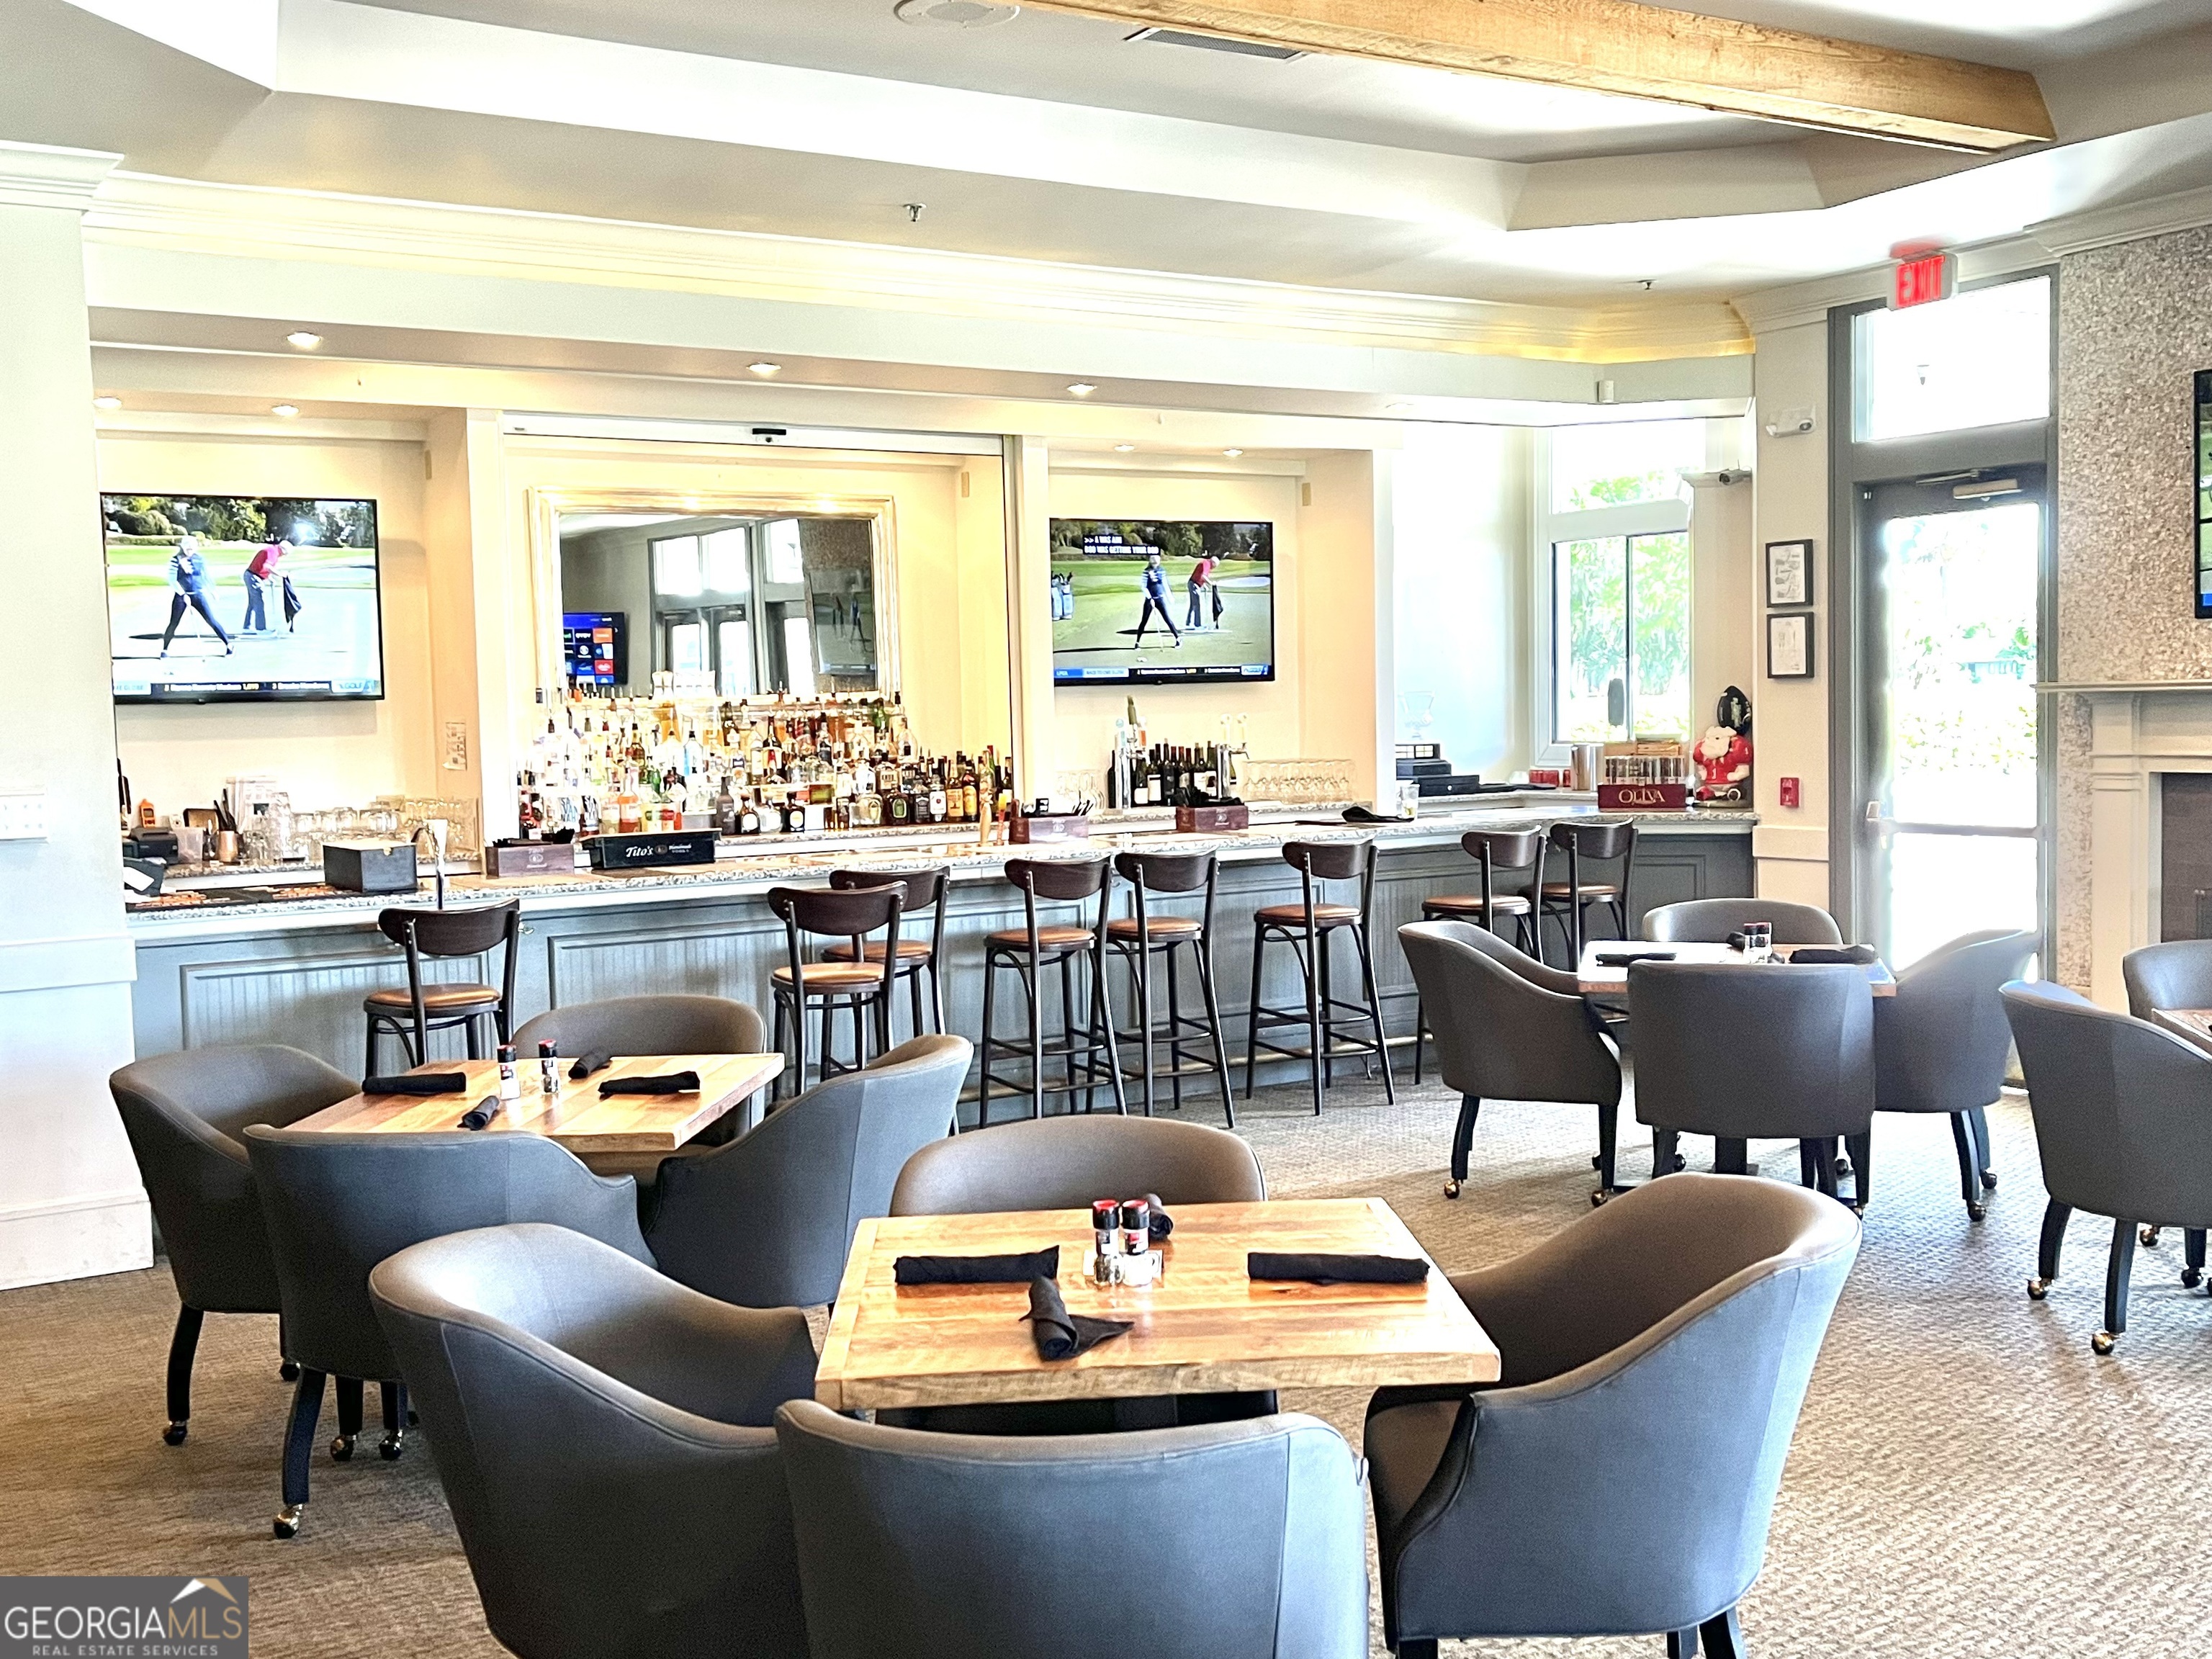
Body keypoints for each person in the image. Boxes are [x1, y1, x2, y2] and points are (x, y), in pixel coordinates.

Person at [158, 534, 233, 657]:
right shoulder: (175, 560)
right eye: (187, 547)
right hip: (181, 596)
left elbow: (205, 576)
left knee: (211, 620)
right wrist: (183, 594)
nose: (190, 549)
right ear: (183, 547)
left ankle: (229, 645)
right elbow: (172, 580)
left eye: (192, 547)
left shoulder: (199, 559)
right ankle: (165, 650)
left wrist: (212, 590)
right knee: (174, 622)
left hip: (198, 595)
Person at [1131, 550, 1181, 648]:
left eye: (1157, 562)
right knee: (1144, 621)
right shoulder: (1146, 572)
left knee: (1167, 619)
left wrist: (1170, 597)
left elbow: (1165, 585)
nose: (1155, 563)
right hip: (1150, 600)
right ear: (1151, 562)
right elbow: (1144, 587)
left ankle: (1178, 639)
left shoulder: (1161, 571)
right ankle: (1137, 643)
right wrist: (1150, 598)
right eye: (1154, 562)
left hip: (1160, 599)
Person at [241, 536, 289, 632]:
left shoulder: (272, 550)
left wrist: (270, 578)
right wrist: (280, 575)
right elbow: (267, 566)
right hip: (254, 577)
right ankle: (261, 629)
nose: (283, 556)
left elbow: (263, 566)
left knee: (253, 603)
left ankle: (247, 626)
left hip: (252, 575)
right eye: (285, 554)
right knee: (259, 603)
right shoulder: (273, 552)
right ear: (282, 550)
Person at [1185, 552, 1218, 630]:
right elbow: (1203, 576)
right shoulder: (1206, 564)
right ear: (1213, 563)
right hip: (1194, 584)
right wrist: (1211, 583)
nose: (1213, 568)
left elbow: (1200, 575)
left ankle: (1189, 623)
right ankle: (1197, 625)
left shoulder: (1206, 564)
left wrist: (1204, 585)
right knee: (1197, 605)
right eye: (1215, 566)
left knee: (1193, 605)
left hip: (1194, 584)